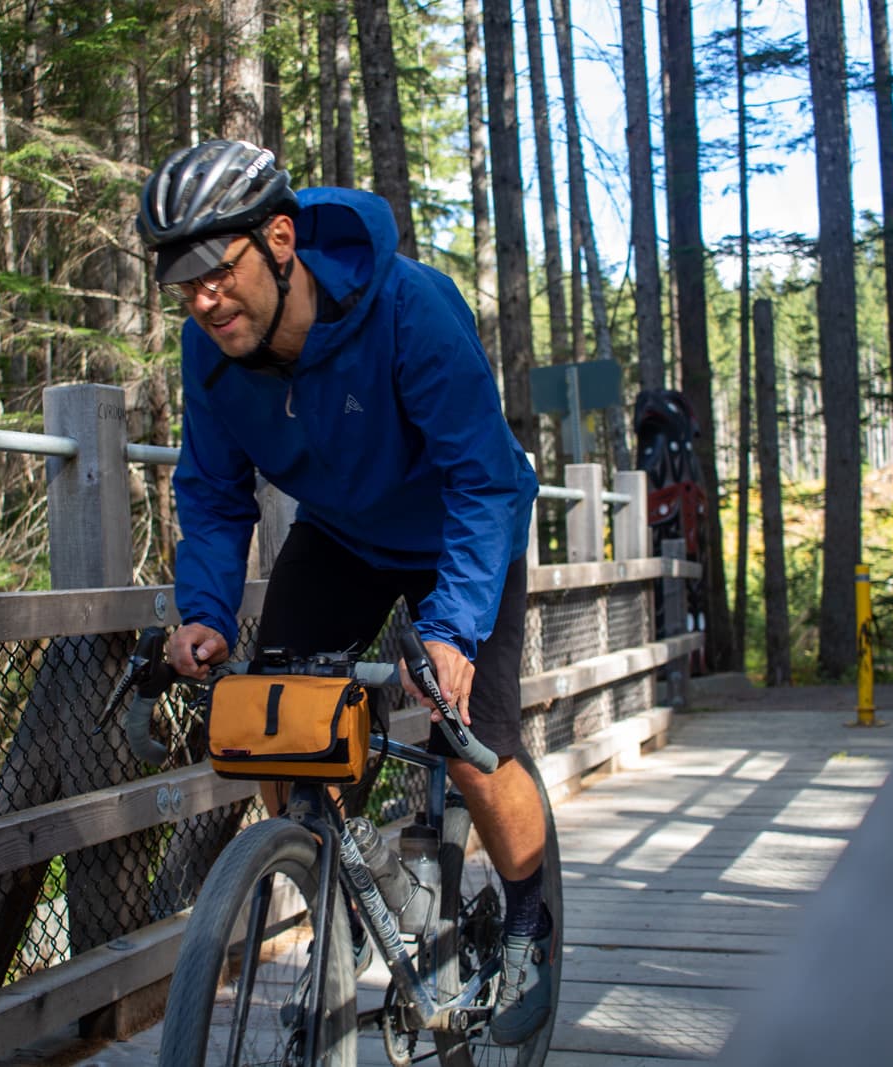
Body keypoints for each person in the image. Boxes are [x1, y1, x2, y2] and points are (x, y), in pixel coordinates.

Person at [135, 139, 553, 1045]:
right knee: (268, 724)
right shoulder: (209, 356)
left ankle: (527, 921)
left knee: (473, 735)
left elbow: (486, 480)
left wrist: (449, 630)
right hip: (344, 536)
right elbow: (211, 491)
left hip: (459, 523)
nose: (202, 299)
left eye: (218, 270)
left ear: (280, 239)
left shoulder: (408, 308)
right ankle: (335, 880)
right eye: (182, 281)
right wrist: (204, 611)